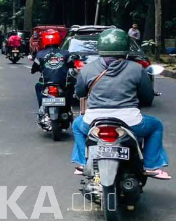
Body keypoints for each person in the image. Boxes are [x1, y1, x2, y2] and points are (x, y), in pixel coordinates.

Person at [70, 28, 170, 179]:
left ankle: (83, 163)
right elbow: (147, 97)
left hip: (93, 122)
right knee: (156, 125)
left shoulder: (87, 69)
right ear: (126, 47)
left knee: (77, 124)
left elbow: (80, 93)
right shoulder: (137, 69)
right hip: (130, 122)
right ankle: (150, 165)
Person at [31, 29, 69, 126]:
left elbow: (34, 68)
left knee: (37, 86)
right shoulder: (65, 53)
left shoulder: (40, 54)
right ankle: (67, 110)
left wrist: (35, 70)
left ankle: (42, 108)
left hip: (46, 83)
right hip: (62, 83)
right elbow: (72, 64)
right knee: (70, 88)